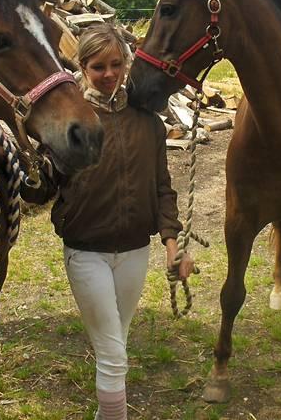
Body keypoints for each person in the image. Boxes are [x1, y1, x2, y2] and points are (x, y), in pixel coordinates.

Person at [21, 23, 194, 420]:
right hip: (86, 251)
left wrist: (173, 246)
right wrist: (27, 171)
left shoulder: (148, 123)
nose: (110, 74)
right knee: (115, 354)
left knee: (116, 342)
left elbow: (162, 188)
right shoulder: (69, 122)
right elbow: (41, 187)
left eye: (117, 64)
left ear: (128, 64)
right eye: (99, 66)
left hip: (135, 250)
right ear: (82, 67)